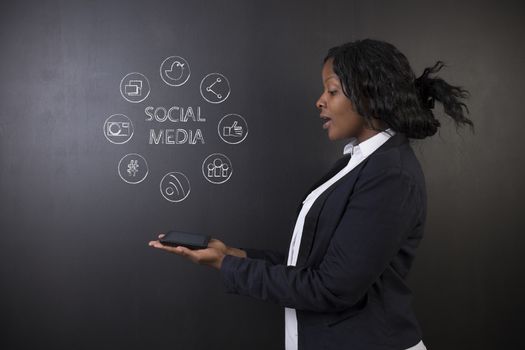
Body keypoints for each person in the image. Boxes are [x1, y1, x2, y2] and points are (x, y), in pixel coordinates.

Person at [148, 38, 473, 350]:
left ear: (369, 94)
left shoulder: (391, 176)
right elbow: (316, 265)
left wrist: (227, 266)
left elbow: (331, 288)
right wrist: (234, 254)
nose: (320, 100)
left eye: (332, 91)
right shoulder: (360, 162)